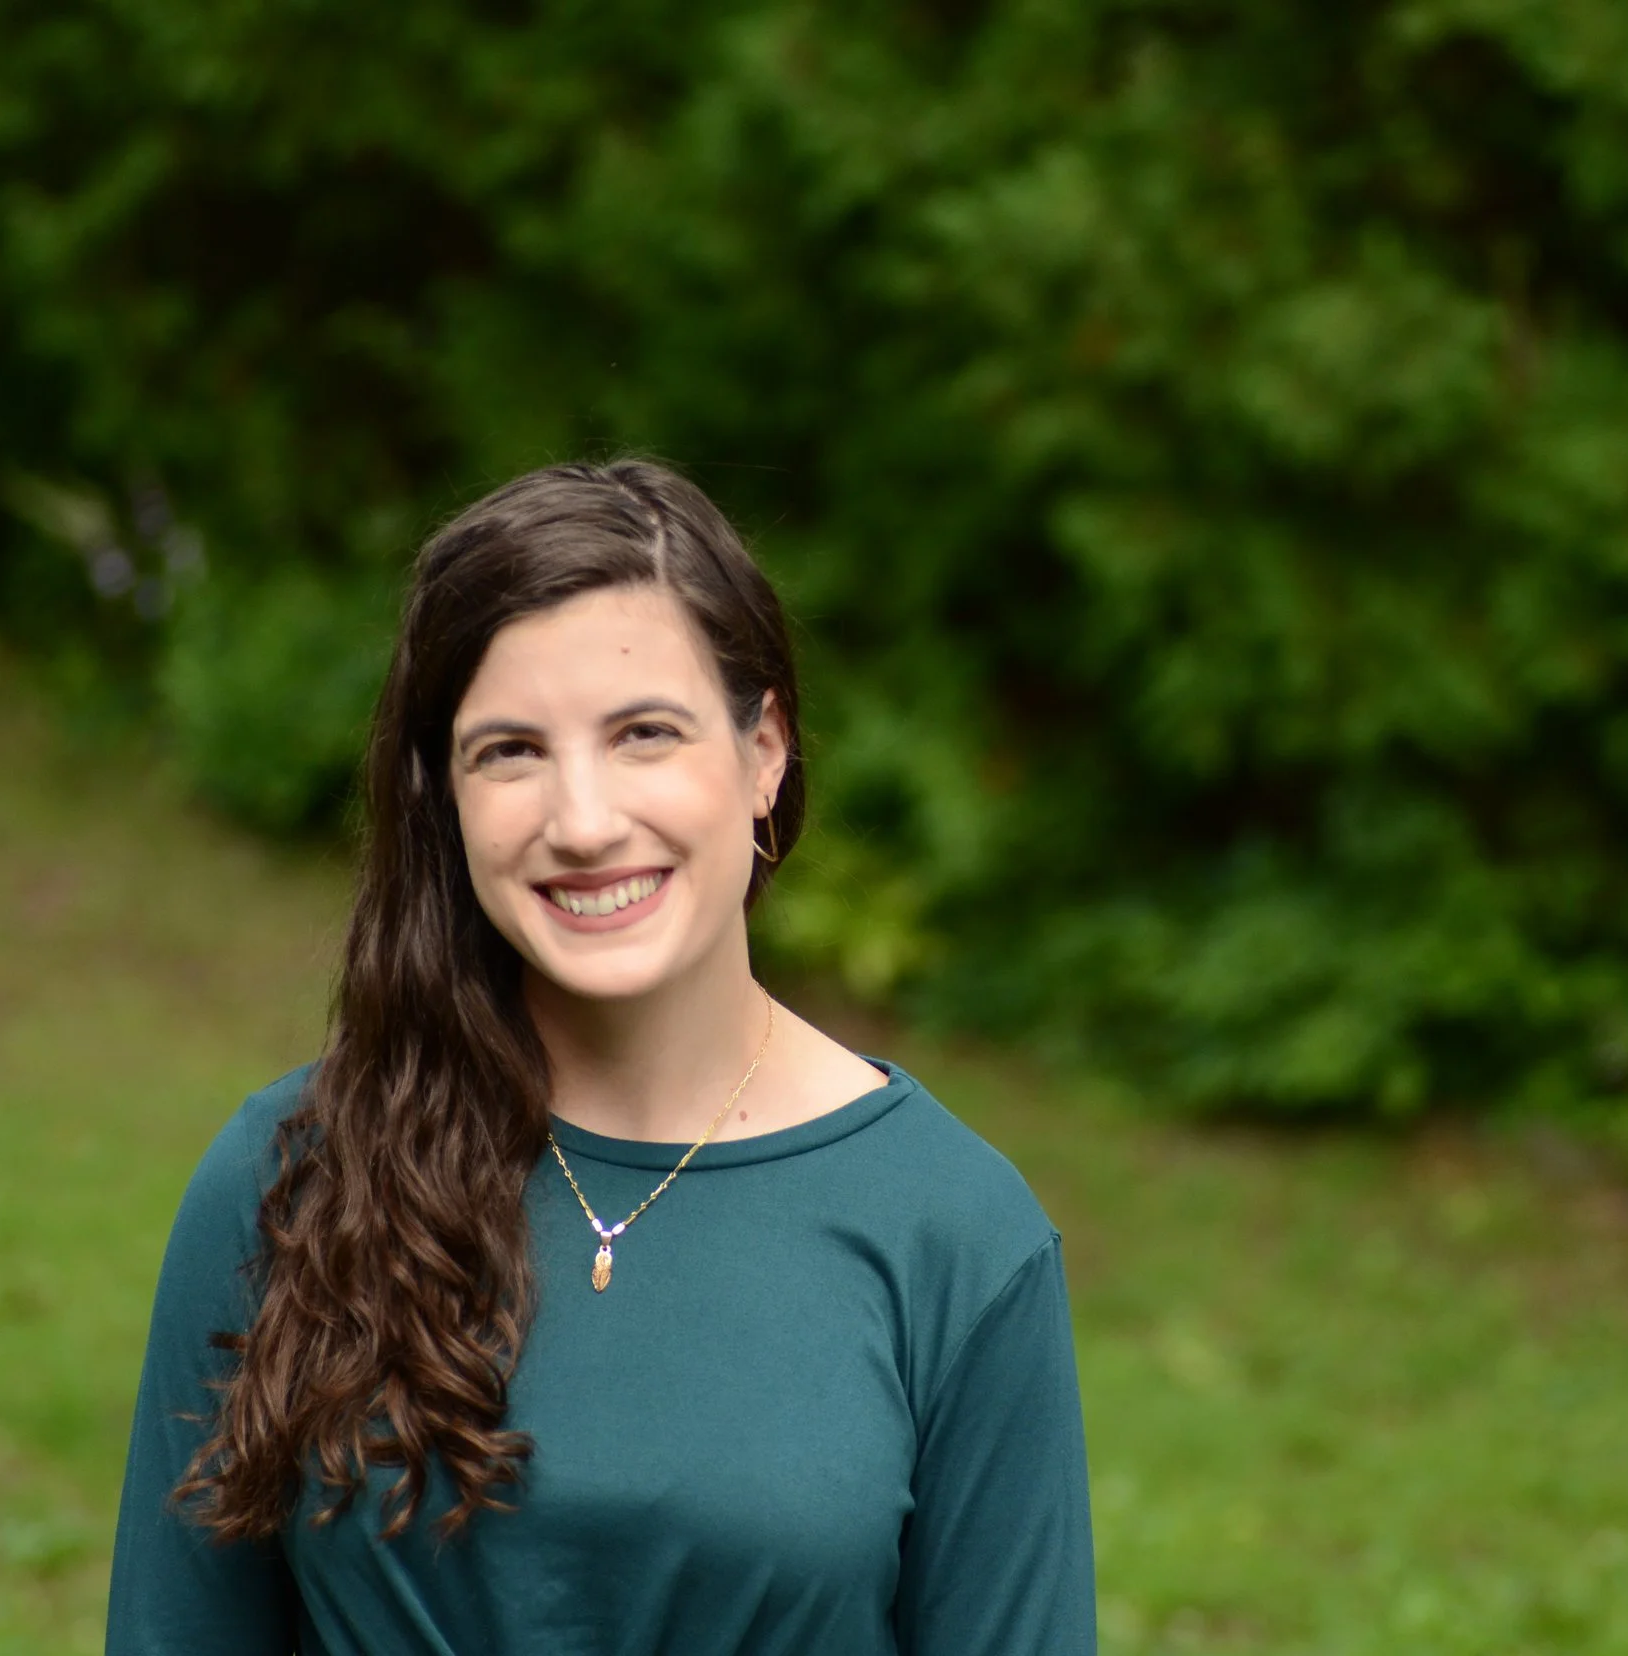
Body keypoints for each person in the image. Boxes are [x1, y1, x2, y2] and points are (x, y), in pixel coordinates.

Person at [105, 459, 1097, 1654]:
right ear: (445, 796)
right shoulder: (290, 1180)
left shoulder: (953, 1236)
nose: (580, 822)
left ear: (764, 752)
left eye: (643, 734)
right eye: (510, 751)